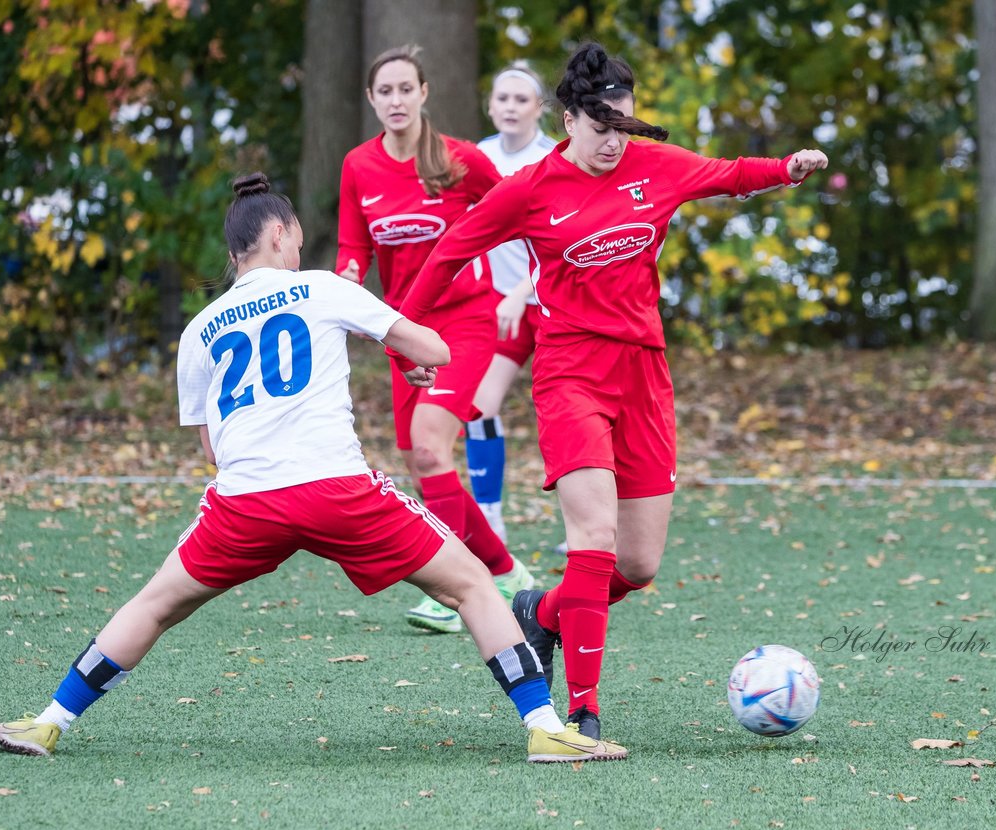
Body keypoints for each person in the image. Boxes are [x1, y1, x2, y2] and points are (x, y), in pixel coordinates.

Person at [0, 173, 626, 763]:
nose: (298, 246)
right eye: (294, 236)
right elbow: (434, 348)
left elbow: (211, 450)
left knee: (154, 604)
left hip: (243, 504)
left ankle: (48, 721)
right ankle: (544, 727)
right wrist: (405, 357)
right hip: (337, 492)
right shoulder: (320, 285)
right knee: (472, 585)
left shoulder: (199, 330)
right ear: (277, 234)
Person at [395, 42, 829, 745]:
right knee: (591, 536)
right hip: (568, 372)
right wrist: (405, 334)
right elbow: (451, 250)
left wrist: (788, 169)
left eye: (623, 125)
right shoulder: (531, 187)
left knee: (637, 564)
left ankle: (542, 614)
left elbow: (726, 174)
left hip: (644, 377)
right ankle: (583, 712)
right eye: (600, 127)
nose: (612, 141)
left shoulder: (653, 165)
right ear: (568, 120)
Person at [336, 44, 533, 634]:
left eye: (406, 89)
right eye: (385, 91)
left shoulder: (461, 160)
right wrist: (346, 280)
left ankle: (457, 582)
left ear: (424, 94)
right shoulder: (358, 165)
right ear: (372, 100)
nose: (396, 100)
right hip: (403, 330)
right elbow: (355, 247)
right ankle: (506, 571)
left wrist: (527, 285)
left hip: (467, 321)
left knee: (428, 445)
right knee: (423, 463)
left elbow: (525, 210)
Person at [465, 62, 557, 543]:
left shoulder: (555, 158)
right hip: (502, 307)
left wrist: (523, 291)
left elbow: (566, 242)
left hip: (555, 303)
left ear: (540, 108)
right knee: (478, 408)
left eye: (522, 99)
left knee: (566, 414)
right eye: (503, 98)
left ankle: (589, 524)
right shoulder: (478, 157)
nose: (511, 107)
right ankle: (491, 520)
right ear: (490, 105)